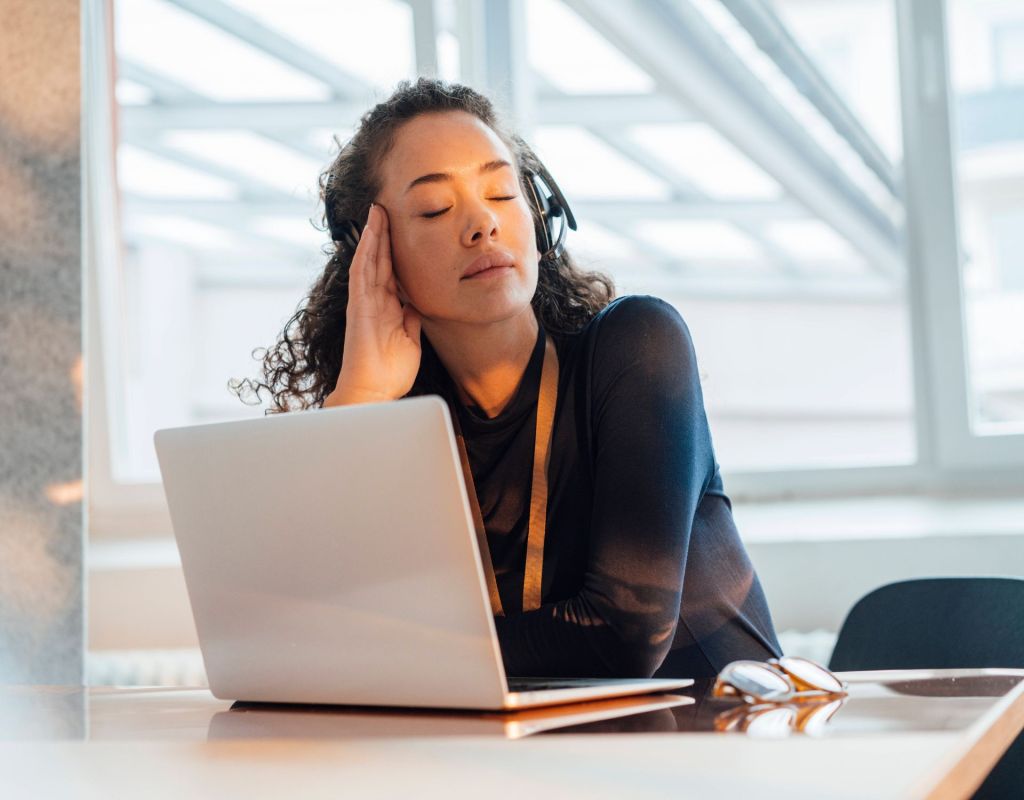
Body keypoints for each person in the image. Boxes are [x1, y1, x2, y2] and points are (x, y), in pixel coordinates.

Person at [232, 77, 782, 679]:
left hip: (720, 745)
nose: (481, 225)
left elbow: (625, 636)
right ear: (374, 253)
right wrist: (360, 397)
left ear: (540, 218)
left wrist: (381, 656)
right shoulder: (399, 417)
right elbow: (288, 637)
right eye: (435, 208)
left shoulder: (638, 346)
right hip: (528, 762)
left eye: (500, 192)